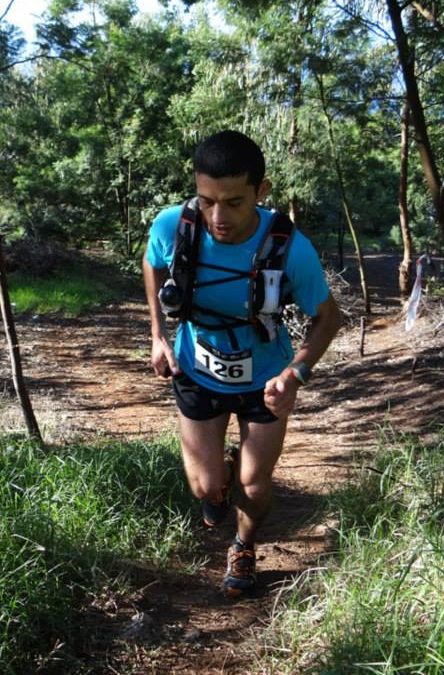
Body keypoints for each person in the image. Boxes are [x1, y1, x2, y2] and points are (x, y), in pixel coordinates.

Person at [143, 130, 341, 597]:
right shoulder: (174, 226)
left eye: (233, 202)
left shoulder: (291, 248)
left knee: (253, 485)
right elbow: (152, 265)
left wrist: (296, 372)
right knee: (205, 487)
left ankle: (245, 545)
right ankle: (219, 477)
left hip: (266, 377)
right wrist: (157, 336)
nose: (218, 217)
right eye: (207, 200)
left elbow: (329, 317)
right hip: (196, 368)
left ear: (261, 191)